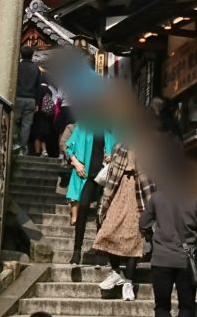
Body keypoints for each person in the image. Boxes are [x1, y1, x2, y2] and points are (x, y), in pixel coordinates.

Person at [139, 162, 197, 317]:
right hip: (187, 259)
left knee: (162, 307)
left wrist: (151, 238)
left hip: (161, 259)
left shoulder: (157, 198)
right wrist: (196, 244)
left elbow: (144, 223)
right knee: (187, 306)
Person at [92, 138, 155, 301]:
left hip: (137, 194)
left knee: (134, 238)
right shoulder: (119, 146)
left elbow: (150, 177)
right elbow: (112, 173)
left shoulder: (148, 146)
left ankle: (128, 282)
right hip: (118, 191)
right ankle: (115, 271)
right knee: (108, 231)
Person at [65, 121, 116, 263]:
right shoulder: (83, 127)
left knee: (102, 215)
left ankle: (100, 252)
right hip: (88, 177)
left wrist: (112, 156)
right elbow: (68, 147)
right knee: (83, 207)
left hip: (104, 177)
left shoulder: (111, 130)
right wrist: (76, 163)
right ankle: (77, 251)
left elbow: (120, 150)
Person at [15, 45, 45, 154]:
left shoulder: (17, 66)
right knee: (26, 125)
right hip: (31, 99)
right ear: (32, 55)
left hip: (18, 97)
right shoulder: (36, 68)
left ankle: (14, 144)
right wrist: (37, 102)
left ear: (21, 55)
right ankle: (23, 148)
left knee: (14, 122)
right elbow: (39, 86)